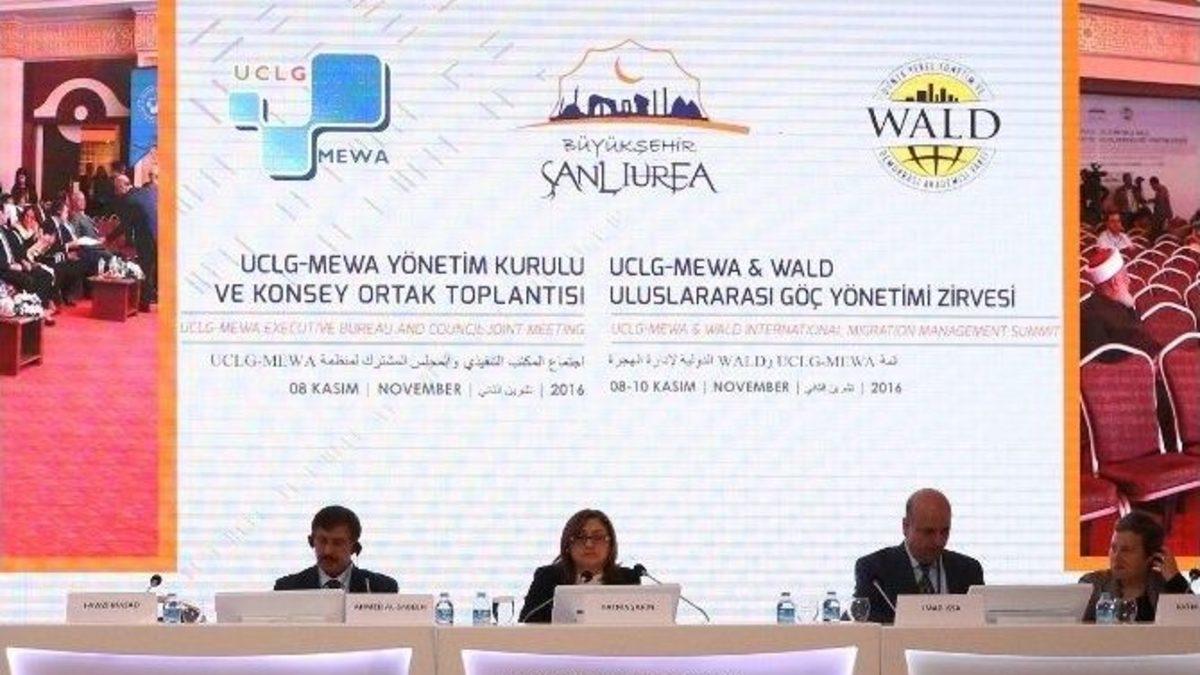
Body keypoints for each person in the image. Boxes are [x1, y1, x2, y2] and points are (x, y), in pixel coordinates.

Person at [853, 488, 985, 623]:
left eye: (945, 531)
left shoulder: (969, 570)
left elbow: (984, 623)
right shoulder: (874, 570)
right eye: (928, 532)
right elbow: (860, 621)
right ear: (905, 527)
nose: (938, 541)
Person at [519, 508, 641, 623]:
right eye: (580, 537)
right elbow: (526, 624)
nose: (589, 544)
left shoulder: (627, 579)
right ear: (567, 545)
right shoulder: (547, 578)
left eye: (598, 537)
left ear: (610, 545)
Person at [1080, 511, 1191, 622]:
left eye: (1126, 550)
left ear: (1150, 556)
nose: (1116, 557)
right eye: (1113, 548)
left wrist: (1175, 580)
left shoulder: (1165, 587)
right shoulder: (1093, 585)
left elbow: (1193, 621)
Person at [273, 505, 398, 593]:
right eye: (322, 541)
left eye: (338, 543)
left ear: (354, 548)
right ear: (311, 542)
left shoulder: (382, 588)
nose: (327, 551)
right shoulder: (287, 588)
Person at [1080, 247, 1160, 358]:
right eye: (1125, 276)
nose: (1129, 281)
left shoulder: (1088, 306)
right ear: (1115, 283)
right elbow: (1148, 351)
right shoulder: (1116, 321)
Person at [110, 173, 156, 310]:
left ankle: (144, 304)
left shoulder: (129, 200)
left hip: (147, 236)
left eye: (116, 188)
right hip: (160, 233)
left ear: (123, 186)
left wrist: (108, 239)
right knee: (156, 268)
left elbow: (125, 224)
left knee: (145, 269)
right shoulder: (145, 192)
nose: (115, 192)